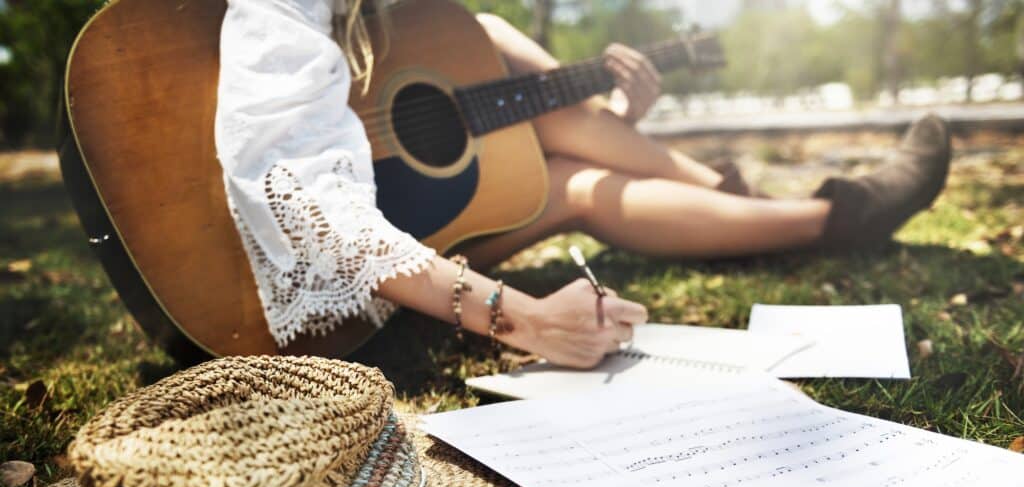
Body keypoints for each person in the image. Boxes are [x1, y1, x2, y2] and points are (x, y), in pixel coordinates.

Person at [215, 0, 951, 370]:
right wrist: (524, 318)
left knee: (573, 174)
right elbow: (307, 207)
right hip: (305, 273)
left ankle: (823, 217)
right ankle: (814, 208)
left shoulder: (400, 17)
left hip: (415, 211)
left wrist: (627, 117)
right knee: (511, 62)